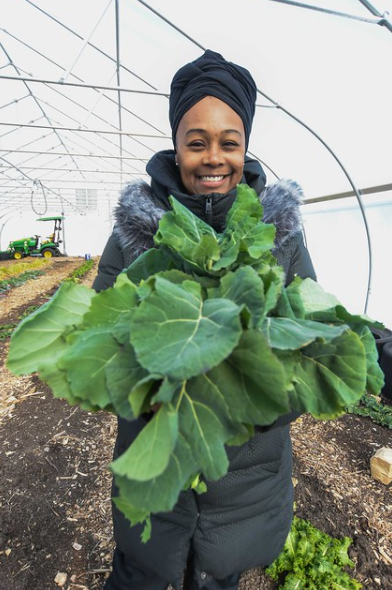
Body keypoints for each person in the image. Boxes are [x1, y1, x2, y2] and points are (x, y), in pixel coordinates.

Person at [93, 49, 316, 590]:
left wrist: (250, 397)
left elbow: (312, 340)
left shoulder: (280, 234)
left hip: (241, 491)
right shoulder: (135, 233)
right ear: (176, 146)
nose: (213, 157)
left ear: (245, 148)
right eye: (197, 142)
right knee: (139, 573)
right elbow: (97, 348)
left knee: (218, 577)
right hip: (157, 478)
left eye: (228, 142)